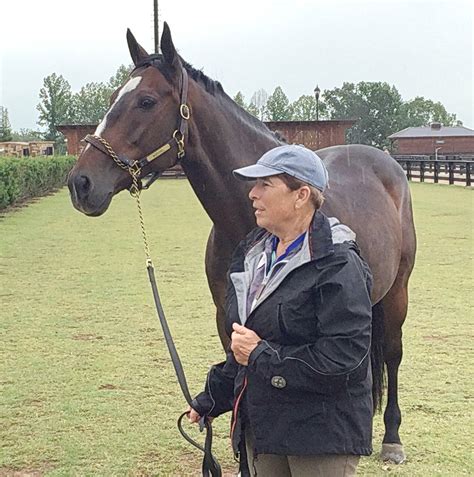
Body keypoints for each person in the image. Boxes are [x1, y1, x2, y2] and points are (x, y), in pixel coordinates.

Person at [188, 144, 374, 476]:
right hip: (265, 427)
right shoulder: (252, 254)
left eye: (265, 185)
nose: (252, 194)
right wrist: (211, 399)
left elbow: (343, 357)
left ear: (301, 195)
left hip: (320, 436)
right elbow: (246, 342)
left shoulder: (338, 264)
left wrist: (261, 355)